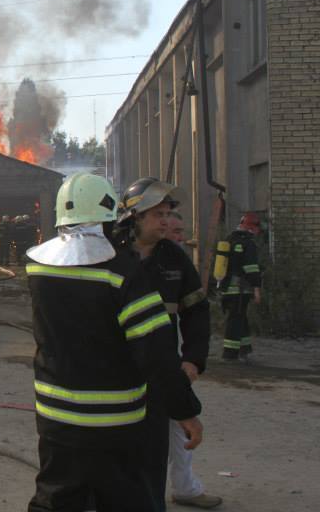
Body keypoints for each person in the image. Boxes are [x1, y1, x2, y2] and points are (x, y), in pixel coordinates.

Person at [25, 173, 202, 512]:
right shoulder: (125, 274)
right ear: (111, 215)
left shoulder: (37, 268)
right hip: (114, 423)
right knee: (125, 499)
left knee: (56, 497)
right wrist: (186, 411)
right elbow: (157, 355)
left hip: (55, 418)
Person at [117, 179, 221, 510]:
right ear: (134, 217)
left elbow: (197, 311)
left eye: (166, 213)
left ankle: (179, 489)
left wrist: (193, 359)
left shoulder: (174, 259)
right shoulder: (111, 254)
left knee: (169, 431)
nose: (165, 221)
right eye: (157, 214)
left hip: (162, 363)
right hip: (119, 366)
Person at [218, 212, 262, 361]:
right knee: (236, 319)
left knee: (240, 317)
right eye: (257, 228)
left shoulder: (229, 239)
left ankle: (245, 349)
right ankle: (229, 354)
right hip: (241, 289)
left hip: (227, 287)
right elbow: (251, 268)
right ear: (252, 227)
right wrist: (256, 289)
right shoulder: (248, 243)